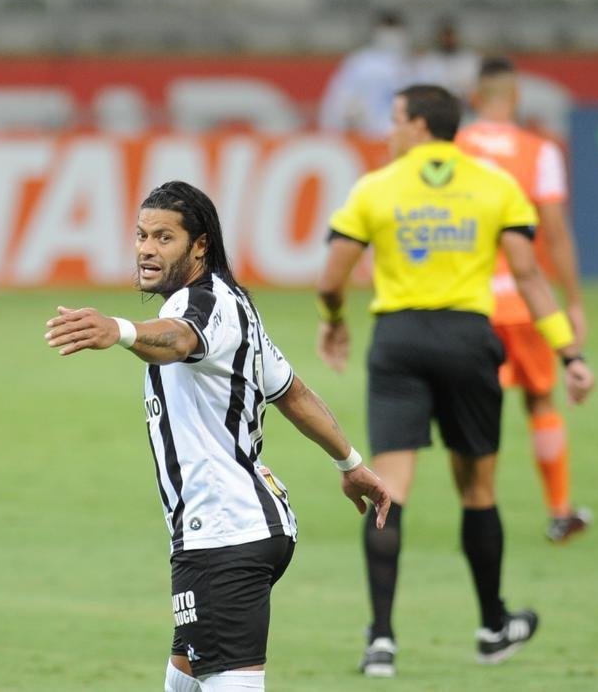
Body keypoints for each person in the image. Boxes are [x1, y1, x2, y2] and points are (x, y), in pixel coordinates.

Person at [44, 180, 391, 692]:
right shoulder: (235, 306)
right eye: (141, 235)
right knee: (184, 677)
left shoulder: (202, 306)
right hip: (246, 526)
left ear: (200, 245)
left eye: (164, 237)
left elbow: (179, 340)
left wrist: (120, 330)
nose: (146, 249)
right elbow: (292, 393)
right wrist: (351, 464)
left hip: (223, 533)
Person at [315, 85, 595, 677]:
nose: (390, 130)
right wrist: (569, 353)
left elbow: (332, 278)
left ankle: (381, 641)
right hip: (469, 341)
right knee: (478, 491)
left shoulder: (375, 187)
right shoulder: (496, 186)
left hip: (398, 342)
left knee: (389, 488)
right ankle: (493, 627)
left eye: (396, 119)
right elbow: (529, 278)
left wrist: (333, 321)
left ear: (420, 125)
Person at [456, 56, 592, 542]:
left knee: (475, 410)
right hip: (524, 301)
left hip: (470, 303)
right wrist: (572, 302)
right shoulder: (539, 151)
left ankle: (479, 508)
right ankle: (560, 510)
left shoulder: (452, 147)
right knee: (540, 401)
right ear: (515, 98)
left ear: (474, 98)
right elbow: (555, 233)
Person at [317, 10, 417, 137]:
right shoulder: (360, 63)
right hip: (368, 135)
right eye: (387, 29)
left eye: (394, 29)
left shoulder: (416, 65)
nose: (391, 36)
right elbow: (338, 101)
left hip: (406, 137)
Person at [414, 16, 481, 103]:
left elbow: (473, 86)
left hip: (464, 103)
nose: (448, 40)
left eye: (450, 36)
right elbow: (425, 85)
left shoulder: (470, 59)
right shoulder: (429, 60)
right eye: (444, 36)